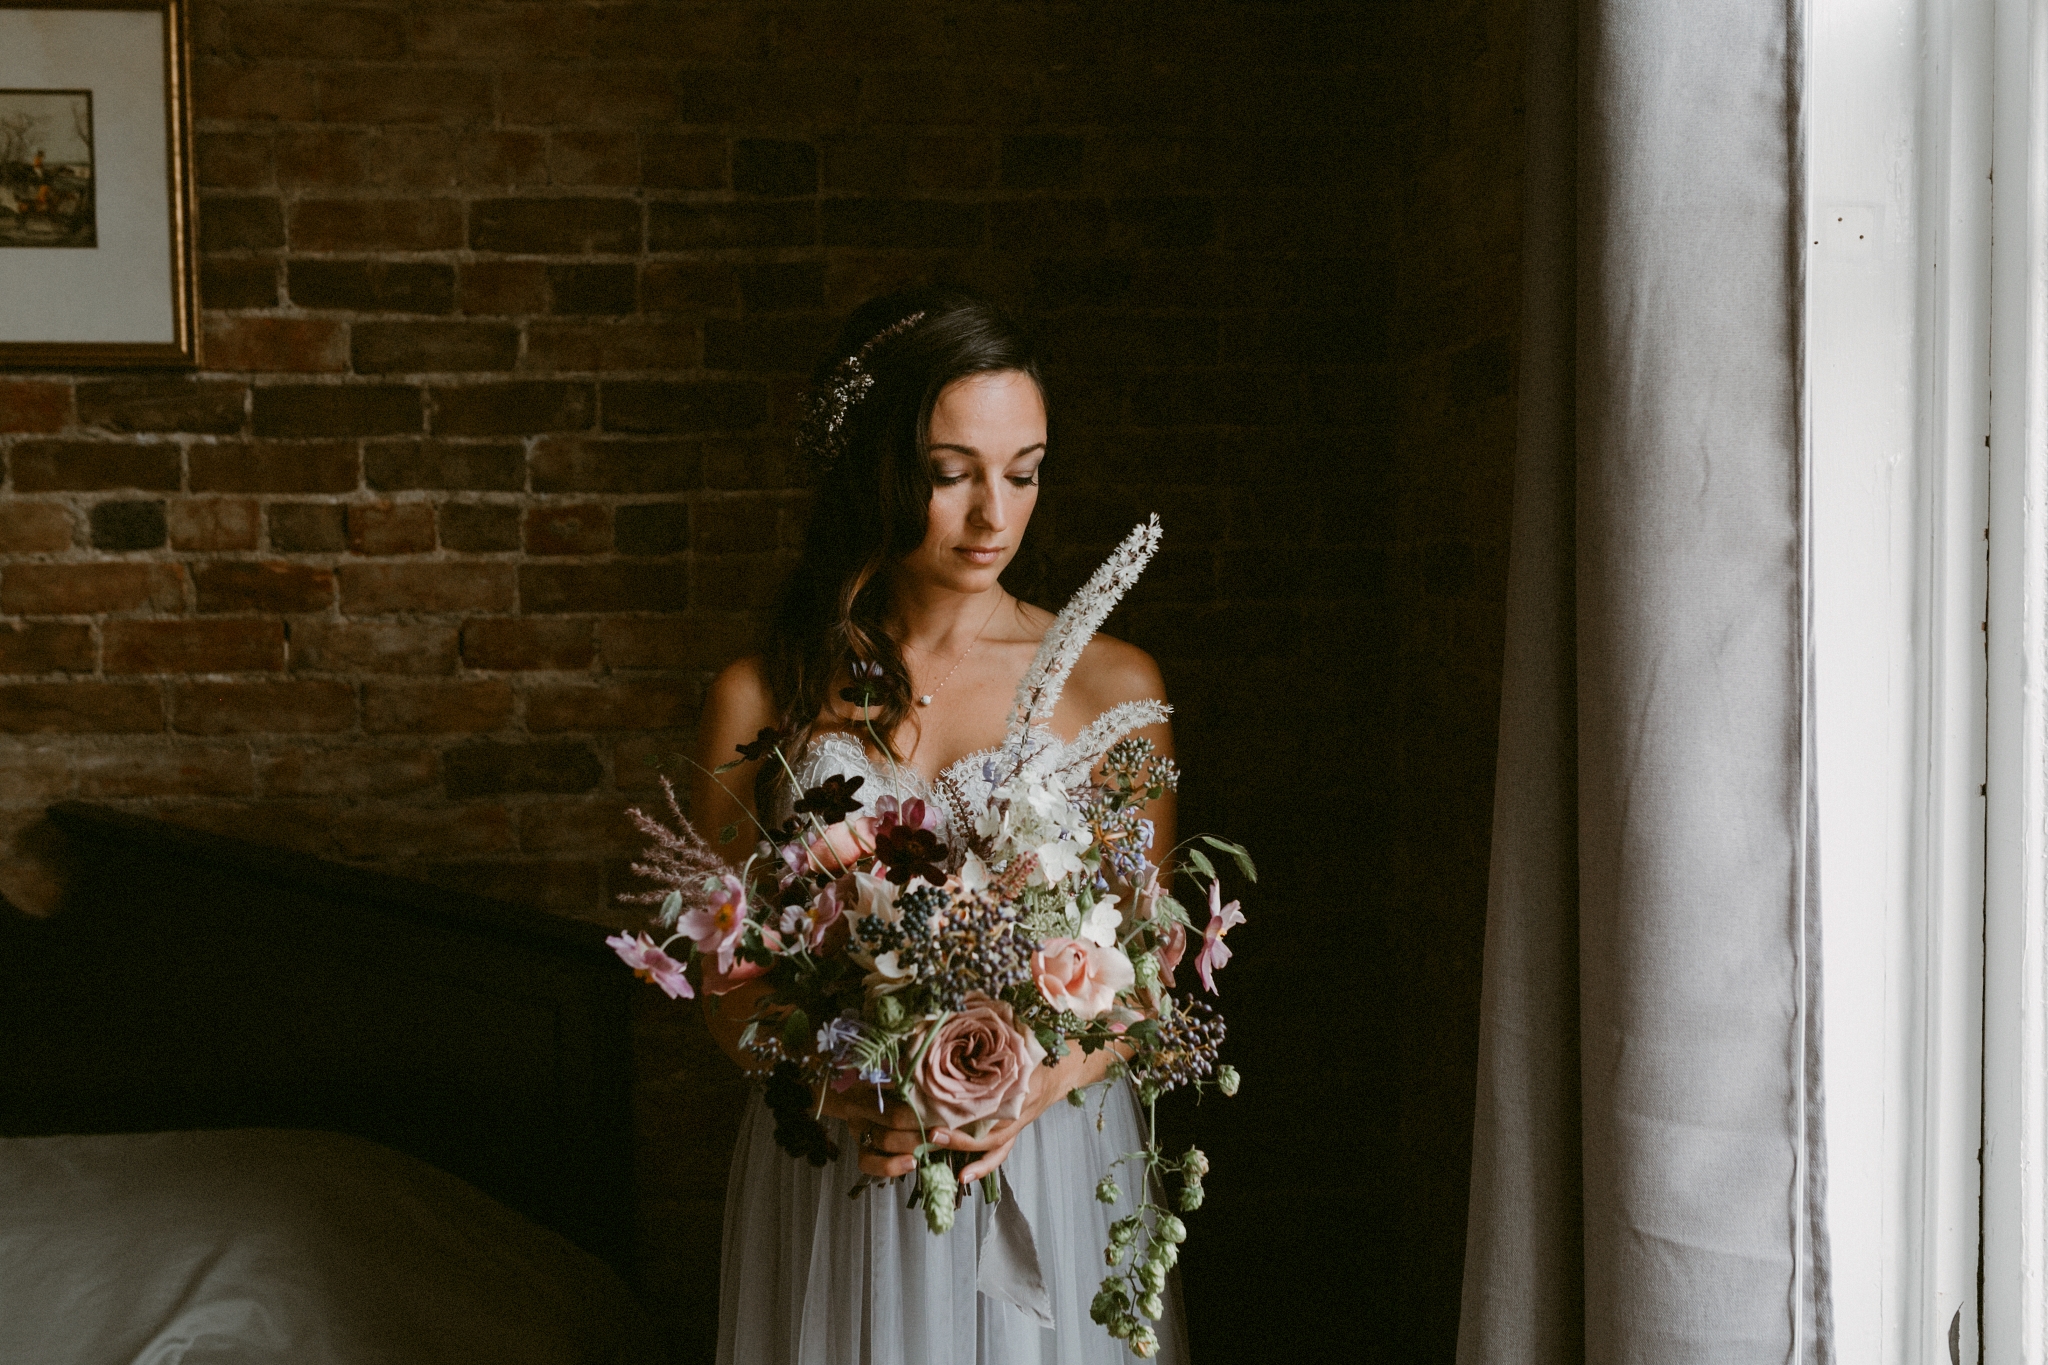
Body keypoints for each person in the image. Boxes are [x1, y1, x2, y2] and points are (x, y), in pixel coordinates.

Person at [690, 286, 1191, 1364]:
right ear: (875, 465)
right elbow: (718, 977)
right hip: (841, 1161)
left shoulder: (1112, 686)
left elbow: (1145, 970)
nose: (993, 517)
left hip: (1044, 1164)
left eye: (1023, 472)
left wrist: (1028, 1086)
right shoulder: (761, 696)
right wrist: (859, 1085)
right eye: (950, 474)